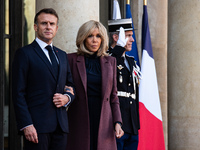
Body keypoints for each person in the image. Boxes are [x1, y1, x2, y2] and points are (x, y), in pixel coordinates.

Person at [12, 8, 75, 150]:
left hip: (61, 126)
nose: (48, 27)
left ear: (56, 28)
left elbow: (70, 84)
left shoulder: (62, 55)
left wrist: (67, 98)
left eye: (52, 24)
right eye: (44, 23)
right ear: (35, 27)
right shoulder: (24, 53)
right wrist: (26, 124)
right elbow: (18, 93)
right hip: (36, 127)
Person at [66, 20, 124, 150]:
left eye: (98, 36)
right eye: (90, 36)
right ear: (83, 38)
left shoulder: (111, 61)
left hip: (104, 118)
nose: (94, 40)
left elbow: (114, 96)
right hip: (79, 118)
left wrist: (117, 122)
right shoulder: (70, 59)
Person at [107, 18, 141, 150]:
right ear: (116, 37)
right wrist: (119, 49)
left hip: (131, 123)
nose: (132, 40)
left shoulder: (131, 61)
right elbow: (108, 65)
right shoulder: (108, 57)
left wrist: (136, 124)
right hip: (116, 123)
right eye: (128, 36)